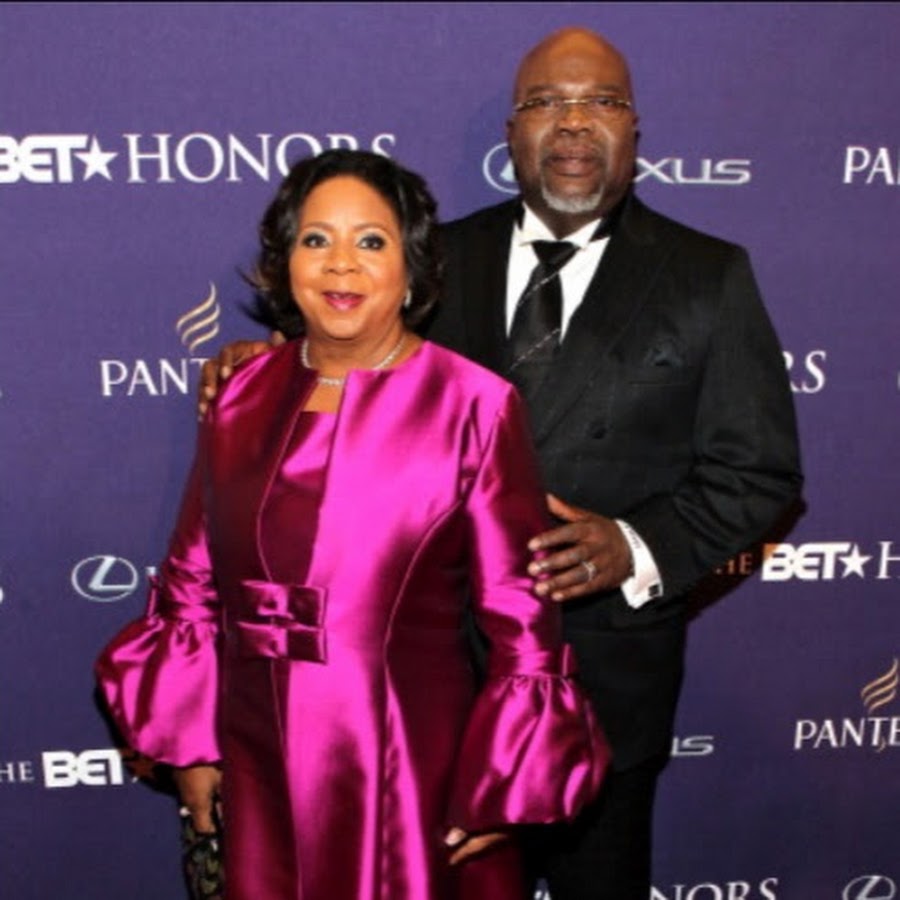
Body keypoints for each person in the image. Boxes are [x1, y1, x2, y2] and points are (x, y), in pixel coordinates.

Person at [198, 27, 803, 900]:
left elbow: (761, 472)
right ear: (513, 132)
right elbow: (346, 351)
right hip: (421, 696)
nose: (573, 122)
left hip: (598, 686)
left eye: (600, 102)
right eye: (546, 103)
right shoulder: (432, 256)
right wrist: (261, 362)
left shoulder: (708, 276)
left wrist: (634, 545)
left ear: (634, 129)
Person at [95, 149, 610, 900]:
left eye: (371, 241)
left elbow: (521, 615)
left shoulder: (474, 404)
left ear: (413, 268)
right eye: (316, 239)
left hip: (407, 763)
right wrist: (193, 748)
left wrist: (507, 778)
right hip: (255, 757)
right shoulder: (239, 392)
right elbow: (191, 581)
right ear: (283, 265)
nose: (341, 263)